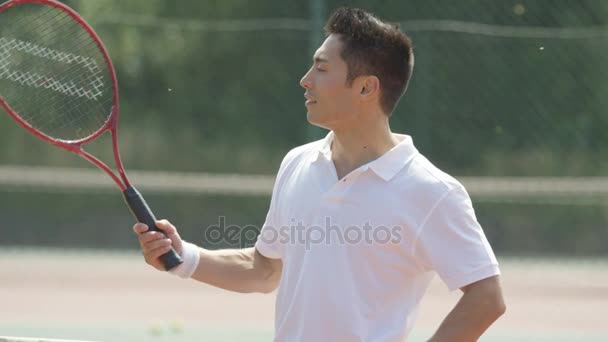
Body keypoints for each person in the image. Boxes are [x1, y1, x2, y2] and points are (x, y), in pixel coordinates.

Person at [134, 7, 505, 341]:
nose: (305, 80)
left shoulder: (431, 191)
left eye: (322, 68)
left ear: (365, 87)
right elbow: (264, 270)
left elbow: (487, 298)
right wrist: (183, 257)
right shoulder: (297, 163)